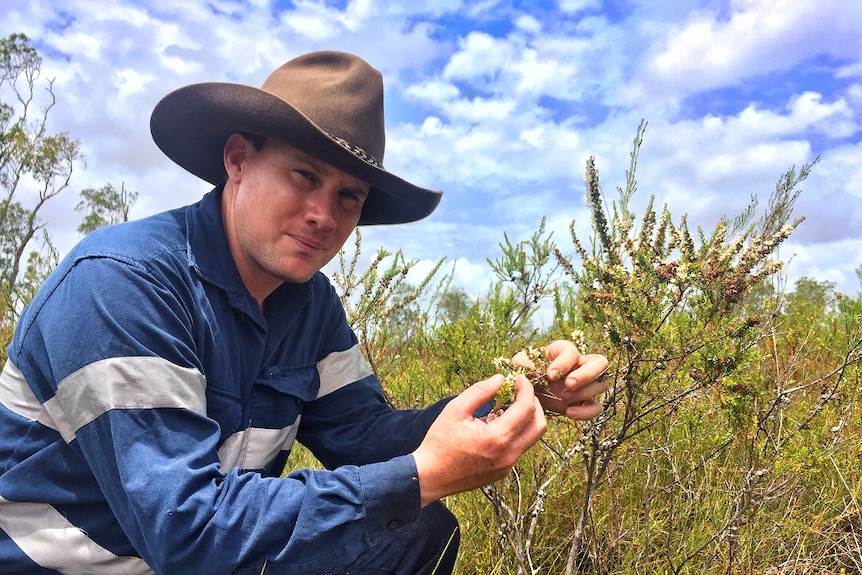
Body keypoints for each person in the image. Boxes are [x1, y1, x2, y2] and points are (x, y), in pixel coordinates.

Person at [0, 51, 609, 574]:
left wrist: (519, 397)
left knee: (420, 532)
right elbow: (185, 533)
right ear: (237, 160)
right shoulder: (123, 285)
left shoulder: (309, 304)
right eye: (303, 174)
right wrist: (424, 474)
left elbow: (364, 438)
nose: (324, 214)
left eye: (349, 195)